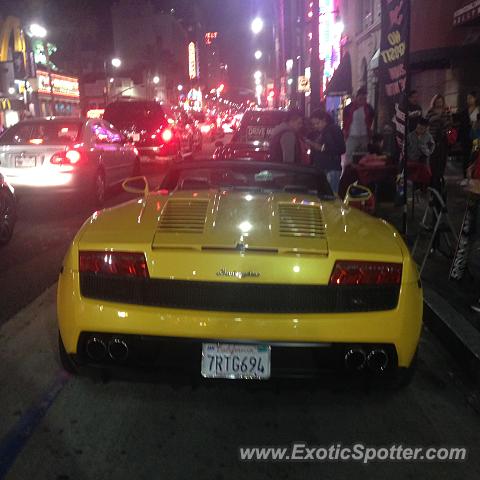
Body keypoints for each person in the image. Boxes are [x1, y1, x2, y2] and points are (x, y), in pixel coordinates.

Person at [306, 110, 346, 194]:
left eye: (318, 123)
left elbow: (341, 148)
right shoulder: (319, 132)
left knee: (331, 195)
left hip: (331, 169)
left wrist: (322, 148)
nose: (316, 126)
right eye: (314, 124)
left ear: (324, 120)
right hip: (321, 169)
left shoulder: (334, 129)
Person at [426, 94, 452, 192]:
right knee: (433, 162)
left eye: (441, 101)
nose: (439, 103)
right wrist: (437, 118)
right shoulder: (430, 112)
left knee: (441, 163)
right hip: (432, 140)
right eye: (437, 101)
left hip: (443, 140)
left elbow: (449, 127)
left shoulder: (446, 112)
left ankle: (439, 181)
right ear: (434, 102)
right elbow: (426, 122)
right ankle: (432, 182)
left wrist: (448, 117)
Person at [343, 86, 374, 166]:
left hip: (364, 135)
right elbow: (346, 121)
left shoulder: (368, 108)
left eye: (364, 99)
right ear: (356, 98)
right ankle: (349, 171)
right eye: (360, 98)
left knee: (364, 154)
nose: (362, 101)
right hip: (352, 135)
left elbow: (371, 120)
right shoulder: (349, 108)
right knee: (349, 154)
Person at [459, 92, 480, 183]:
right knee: (466, 157)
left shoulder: (478, 110)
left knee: (475, 156)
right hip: (466, 137)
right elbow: (461, 125)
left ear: (475, 98)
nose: (469, 100)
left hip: (476, 137)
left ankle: (474, 178)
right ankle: (465, 177)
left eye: (471, 98)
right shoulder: (464, 111)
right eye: (468, 98)